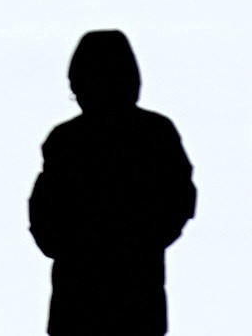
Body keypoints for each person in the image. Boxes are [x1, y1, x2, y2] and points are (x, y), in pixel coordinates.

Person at [29, 30, 198, 336]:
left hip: (75, 286)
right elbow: (181, 197)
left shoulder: (65, 140)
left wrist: (64, 248)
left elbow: (43, 208)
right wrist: (148, 242)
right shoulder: (156, 132)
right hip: (140, 282)